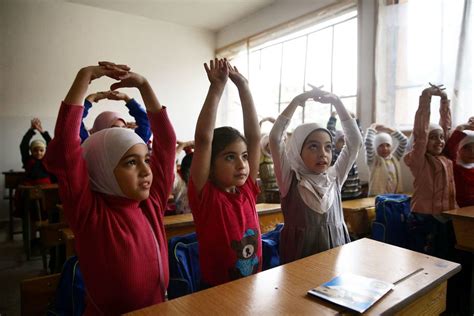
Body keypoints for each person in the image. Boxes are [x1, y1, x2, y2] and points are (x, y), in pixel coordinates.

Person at [43, 61, 175, 314]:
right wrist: (84, 77)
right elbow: (67, 149)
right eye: (131, 163)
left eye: (146, 160)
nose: (147, 170)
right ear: (103, 167)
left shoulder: (150, 203)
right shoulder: (89, 213)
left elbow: (167, 144)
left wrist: (145, 87)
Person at [188, 58, 262, 287]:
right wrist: (216, 88)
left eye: (244, 156)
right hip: (215, 293)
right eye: (230, 157)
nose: (241, 164)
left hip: (253, 285)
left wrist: (244, 88)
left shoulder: (247, 188)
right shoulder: (206, 197)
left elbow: (254, 137)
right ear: (209, 166)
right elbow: (203, 140)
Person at [269, 86, 362, 264]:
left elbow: (354, 142)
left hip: (335, 257)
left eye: (328, 147)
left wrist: (337, 102)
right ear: (297, 150)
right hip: (299, 260)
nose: (323, 154)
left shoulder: (334, 176)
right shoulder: (289, 178)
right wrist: (296, 101)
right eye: (313, 146)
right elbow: (275, 138)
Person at [403, 83, 456, 258]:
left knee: (444, 258)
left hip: (445, 216)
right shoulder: (419, 160)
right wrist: (426, 97)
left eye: (441, 138)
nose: (439, 141)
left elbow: (446, 128)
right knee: (424, 260)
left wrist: (444, 100)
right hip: (424, 218)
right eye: (432, 138)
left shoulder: (445, 158)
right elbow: (421, 132)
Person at [80, 90, 151, 143]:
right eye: (114, 128)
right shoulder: (87, 147)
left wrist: (127, 98)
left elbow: (147, 124)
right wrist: (92, 97)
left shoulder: (127, 147)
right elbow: (74, 122)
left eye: (123, 128)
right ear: (100, 130)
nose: (121, 132)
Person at [327, 112, 362, 200]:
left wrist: (354, 120)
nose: (345, 143)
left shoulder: (352, 154)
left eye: (346, 140)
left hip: (356, 194)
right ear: (335, 143)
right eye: (341, 140)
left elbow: (357, 137)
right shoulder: (335, 156)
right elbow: (330, 134)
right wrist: (333, 117)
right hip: (342, 196)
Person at [364, 123, 407, 196]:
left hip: (394, 197)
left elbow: (404, 141)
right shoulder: (373, 160)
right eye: (381, 146)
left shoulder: (395, 158)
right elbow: (368, 142)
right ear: (376, 147)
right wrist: (372, 127)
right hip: (377, 198)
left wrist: (389, 129)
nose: (385, 149)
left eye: (388, 145)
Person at [445, 121, 474, 207]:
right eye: (466, 147)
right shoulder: (454, 165)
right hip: (460, 209)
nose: (472, 152)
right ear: (458, 149)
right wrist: (461, 127)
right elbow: (451, 147)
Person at [19, 118, 54, 185]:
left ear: (45, 150)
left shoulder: (47, 160)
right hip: (30, 188)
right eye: (35, 150)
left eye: (41, 150)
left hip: (47, 187)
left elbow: (51, 145)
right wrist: (31, 130)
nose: (38, 153)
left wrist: (41, 131)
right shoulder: (28, 160)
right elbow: (23, 145)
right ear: (31, 151)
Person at [258, 117, 279, 202]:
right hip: (265, 191)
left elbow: (282, 134)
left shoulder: (277, 156)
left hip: (277, 190)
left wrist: (275, 122)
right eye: (269, 144)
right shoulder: (261, 155)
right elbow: (255, 138)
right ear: (266, 145)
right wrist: (261, 123)